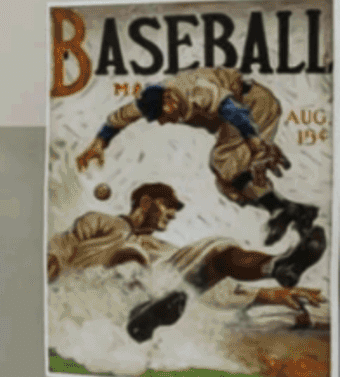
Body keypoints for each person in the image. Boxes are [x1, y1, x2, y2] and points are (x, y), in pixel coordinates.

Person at [47, 181, 327, 341]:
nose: (171, 216)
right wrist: (53, 260)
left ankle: (279, 266)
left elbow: (216, 287)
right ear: (145, 203)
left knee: (216, 251)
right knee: (135, 255)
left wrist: (270, 294)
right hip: (91, 293)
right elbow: (65, 242)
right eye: (166, 207)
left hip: (140, 299)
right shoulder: (103, 222)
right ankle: (142, 313)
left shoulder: (160, 247)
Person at [74, 67, 317, 246]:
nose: (162, 122)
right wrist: (99, 142)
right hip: (238, 115)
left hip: (253, 106)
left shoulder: (197, 90)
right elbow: (120, 117)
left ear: (170, 100)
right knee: (228, 185)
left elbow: (233, 110)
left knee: (224, 162)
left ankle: (281, 210)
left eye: (162, 115)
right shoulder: (154, 98)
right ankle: (290, 210)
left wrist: (254, 141)